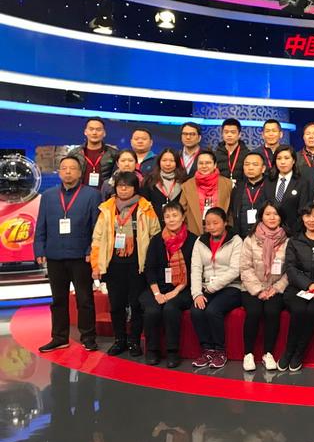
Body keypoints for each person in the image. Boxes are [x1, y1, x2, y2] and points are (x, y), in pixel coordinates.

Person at [34, 155, 102, 352]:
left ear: (80, 172)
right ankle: (59, 337)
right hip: (54, 255)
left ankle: (88, 337)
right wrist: (39, 248)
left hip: (81, 255)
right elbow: (41, 224)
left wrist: (91, 250)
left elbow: (97, 227)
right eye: (64, 168)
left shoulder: (92, 195)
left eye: (72, 168)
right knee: (58, 300)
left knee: (85, 300)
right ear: (59, 172)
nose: (68, 172)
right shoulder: (48, 195)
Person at [90, 172, 161, 356]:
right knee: (116, 305)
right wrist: (96, 264)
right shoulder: (107, 208)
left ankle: (134, 341)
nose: (123, 189)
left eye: (127, 186)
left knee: (136, 305)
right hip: (113, 265)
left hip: (137, 265)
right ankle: (119, 340)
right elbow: (97, 238)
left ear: (135, 188)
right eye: (120, 186)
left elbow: (155, 235)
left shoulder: (145, 207)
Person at [141, 201, 197, 367]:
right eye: (167, 216)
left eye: (175, 215)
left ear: (183, 217)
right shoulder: (157, 240)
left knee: (171, 308)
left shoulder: (193, 240)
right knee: (152, 310)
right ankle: (152, 350)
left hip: (183, 288)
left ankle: (173, 351)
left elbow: (193, 270)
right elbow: (149, 269)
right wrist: (157, 293)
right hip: (157, 287)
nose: (171, 219)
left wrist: (175, 292)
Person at [190, 207, 243, 369]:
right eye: (208, 224)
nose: (211, 227)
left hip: (231, 287)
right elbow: (196, 268)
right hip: (206, 287)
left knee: (213, 310)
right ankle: (207, 350)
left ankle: (220, 351)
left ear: (225, 222)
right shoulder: (200, 241)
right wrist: (197, 294)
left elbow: (235, 270)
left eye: (215, 223)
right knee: (196, 310)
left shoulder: (235, 240)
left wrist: (212, 287)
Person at [240, 202, 289, 372]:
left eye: (275, 214)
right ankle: (248, 354)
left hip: (275, 288)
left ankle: (268, 353)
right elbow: (245, 268)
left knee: (272, 311)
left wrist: (276, 288)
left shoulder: (287, 241)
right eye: (268, 214)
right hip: (252, 288)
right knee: (253, 312)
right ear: (261, 216)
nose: (272, 217)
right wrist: (259, 290)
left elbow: (290, 270)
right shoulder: (250, 239)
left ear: (281, 217)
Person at [281, 203, 314, 371]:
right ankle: (288, 351)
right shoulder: (294, 241)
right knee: (299, 310)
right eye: (308, 216)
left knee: (313, 311)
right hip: (298, 287)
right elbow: (291, 268)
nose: (311, 220)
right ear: (302, 218)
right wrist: (308, 284)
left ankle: (299, 353)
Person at [179, 150, 234, 235]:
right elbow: (182, 211)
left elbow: (231, 211)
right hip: (194, 232)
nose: (204, 166)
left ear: (215, 165)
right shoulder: (188, 186)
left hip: (222, 232)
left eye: (208, 163)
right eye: (201, 163)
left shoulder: (227, 184)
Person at [265, 144, 310, 237]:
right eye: (279, 158)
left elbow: (303, 211)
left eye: (286, 158)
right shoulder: (268, 181)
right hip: (269, 233)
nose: (282, 162)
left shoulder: (302, 182)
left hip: (292, 233)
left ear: (293, 160)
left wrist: (292, 232)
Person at [67, 117, 118, 188]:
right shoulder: (74, 154)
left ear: (104, 133)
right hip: (80, 193)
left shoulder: (114, 154)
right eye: (91, 129)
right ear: (85, 132)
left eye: (98, 130)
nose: (94, 133)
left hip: (104, 194)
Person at [141, 148, 186, 224]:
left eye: (172, 161)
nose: (168, 164)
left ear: (177, 162)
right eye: (164, 160)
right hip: (155, 224)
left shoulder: (184, 181)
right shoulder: (149, 180)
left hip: (178, 223)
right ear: (159, 162)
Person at [229, 152, 269, 238]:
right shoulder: (238, 187)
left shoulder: (270, 186)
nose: (250, 168)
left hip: (265, 236)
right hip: (242, 236)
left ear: (263, 168)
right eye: (247, 164)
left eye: (255, 164)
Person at [214, 118, 250, 183]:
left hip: (241, 188)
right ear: (222, 134)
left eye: (233, 132)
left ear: (239, 134)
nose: (229, 135)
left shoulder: (247, 154)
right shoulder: (215, 154)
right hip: (221, 188)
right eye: (226, 132)